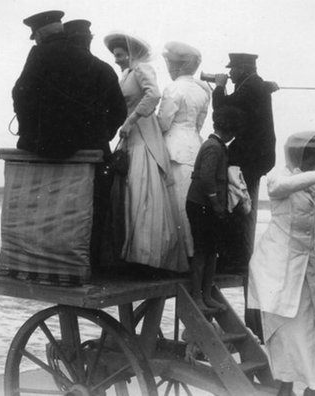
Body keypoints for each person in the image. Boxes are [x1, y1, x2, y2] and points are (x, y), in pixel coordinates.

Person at [248, 131, 315, 396]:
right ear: (301, 155)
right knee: (286, 336)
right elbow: (282, 188)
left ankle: (312, 389)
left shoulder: (312, 183)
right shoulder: (278, 177)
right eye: (314, 158)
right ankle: (298, 389)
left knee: (311, 333)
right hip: (276, 271)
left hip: (303, 270)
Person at [103, 32, 188, 273]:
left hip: (143, 133)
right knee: (131, 190)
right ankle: (132, 253)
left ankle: (148, 255)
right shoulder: (127, 73)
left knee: (144, 188)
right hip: (131, 134)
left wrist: (131, 120)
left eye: (120, 55)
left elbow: (154, 94)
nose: (117, 60)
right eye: (115, 56)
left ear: (131, 53)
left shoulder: (142, 69)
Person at [211, 52, 276, 341]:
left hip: (248, 156)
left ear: (241, 69)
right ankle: (238, 255)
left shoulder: (249, 87)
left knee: (239, 205)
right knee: (243, 206)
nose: (230, 73)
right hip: (258, 155)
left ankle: (236, 257)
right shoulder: (255, 85)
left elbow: (224, 113)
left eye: (232, 70)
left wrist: (218, 87)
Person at [63, 19, 128, 269]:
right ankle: (92, 263)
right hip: (97, 147)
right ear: (89, 40)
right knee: (96, 208)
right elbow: (119, 111)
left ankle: (68, 261)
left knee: (68, 208)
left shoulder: (59, 71)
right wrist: (104, 133)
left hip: (66, 150)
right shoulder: (103, 69)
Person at [13, 11, 116, 158]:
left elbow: (20, 94)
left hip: (44, 148)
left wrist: (29, 132)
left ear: (40, 36)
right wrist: (100, 135)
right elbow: (118, 109)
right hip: (91, 145)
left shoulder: (39, 54)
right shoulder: (102, 67)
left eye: (35, 37)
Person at [186, 106, 243, 312]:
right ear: (228, 131)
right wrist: (217, 205)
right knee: (202, 251)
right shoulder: (213, 147)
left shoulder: (218, 146)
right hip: (201, 205)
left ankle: (207, 295)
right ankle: (197, 297)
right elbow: (206, 179)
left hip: (207, 205)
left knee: (212, 252)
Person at [158, 41, 211, 259]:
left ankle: (176, 254)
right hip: (194, 145)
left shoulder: (173, 88)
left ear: (178, 66)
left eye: (170, 64)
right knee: (190, 203)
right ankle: (192, 253)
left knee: (175, 202)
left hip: (173, 147)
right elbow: (200, 121)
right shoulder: (203, 89)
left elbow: (163, 122)